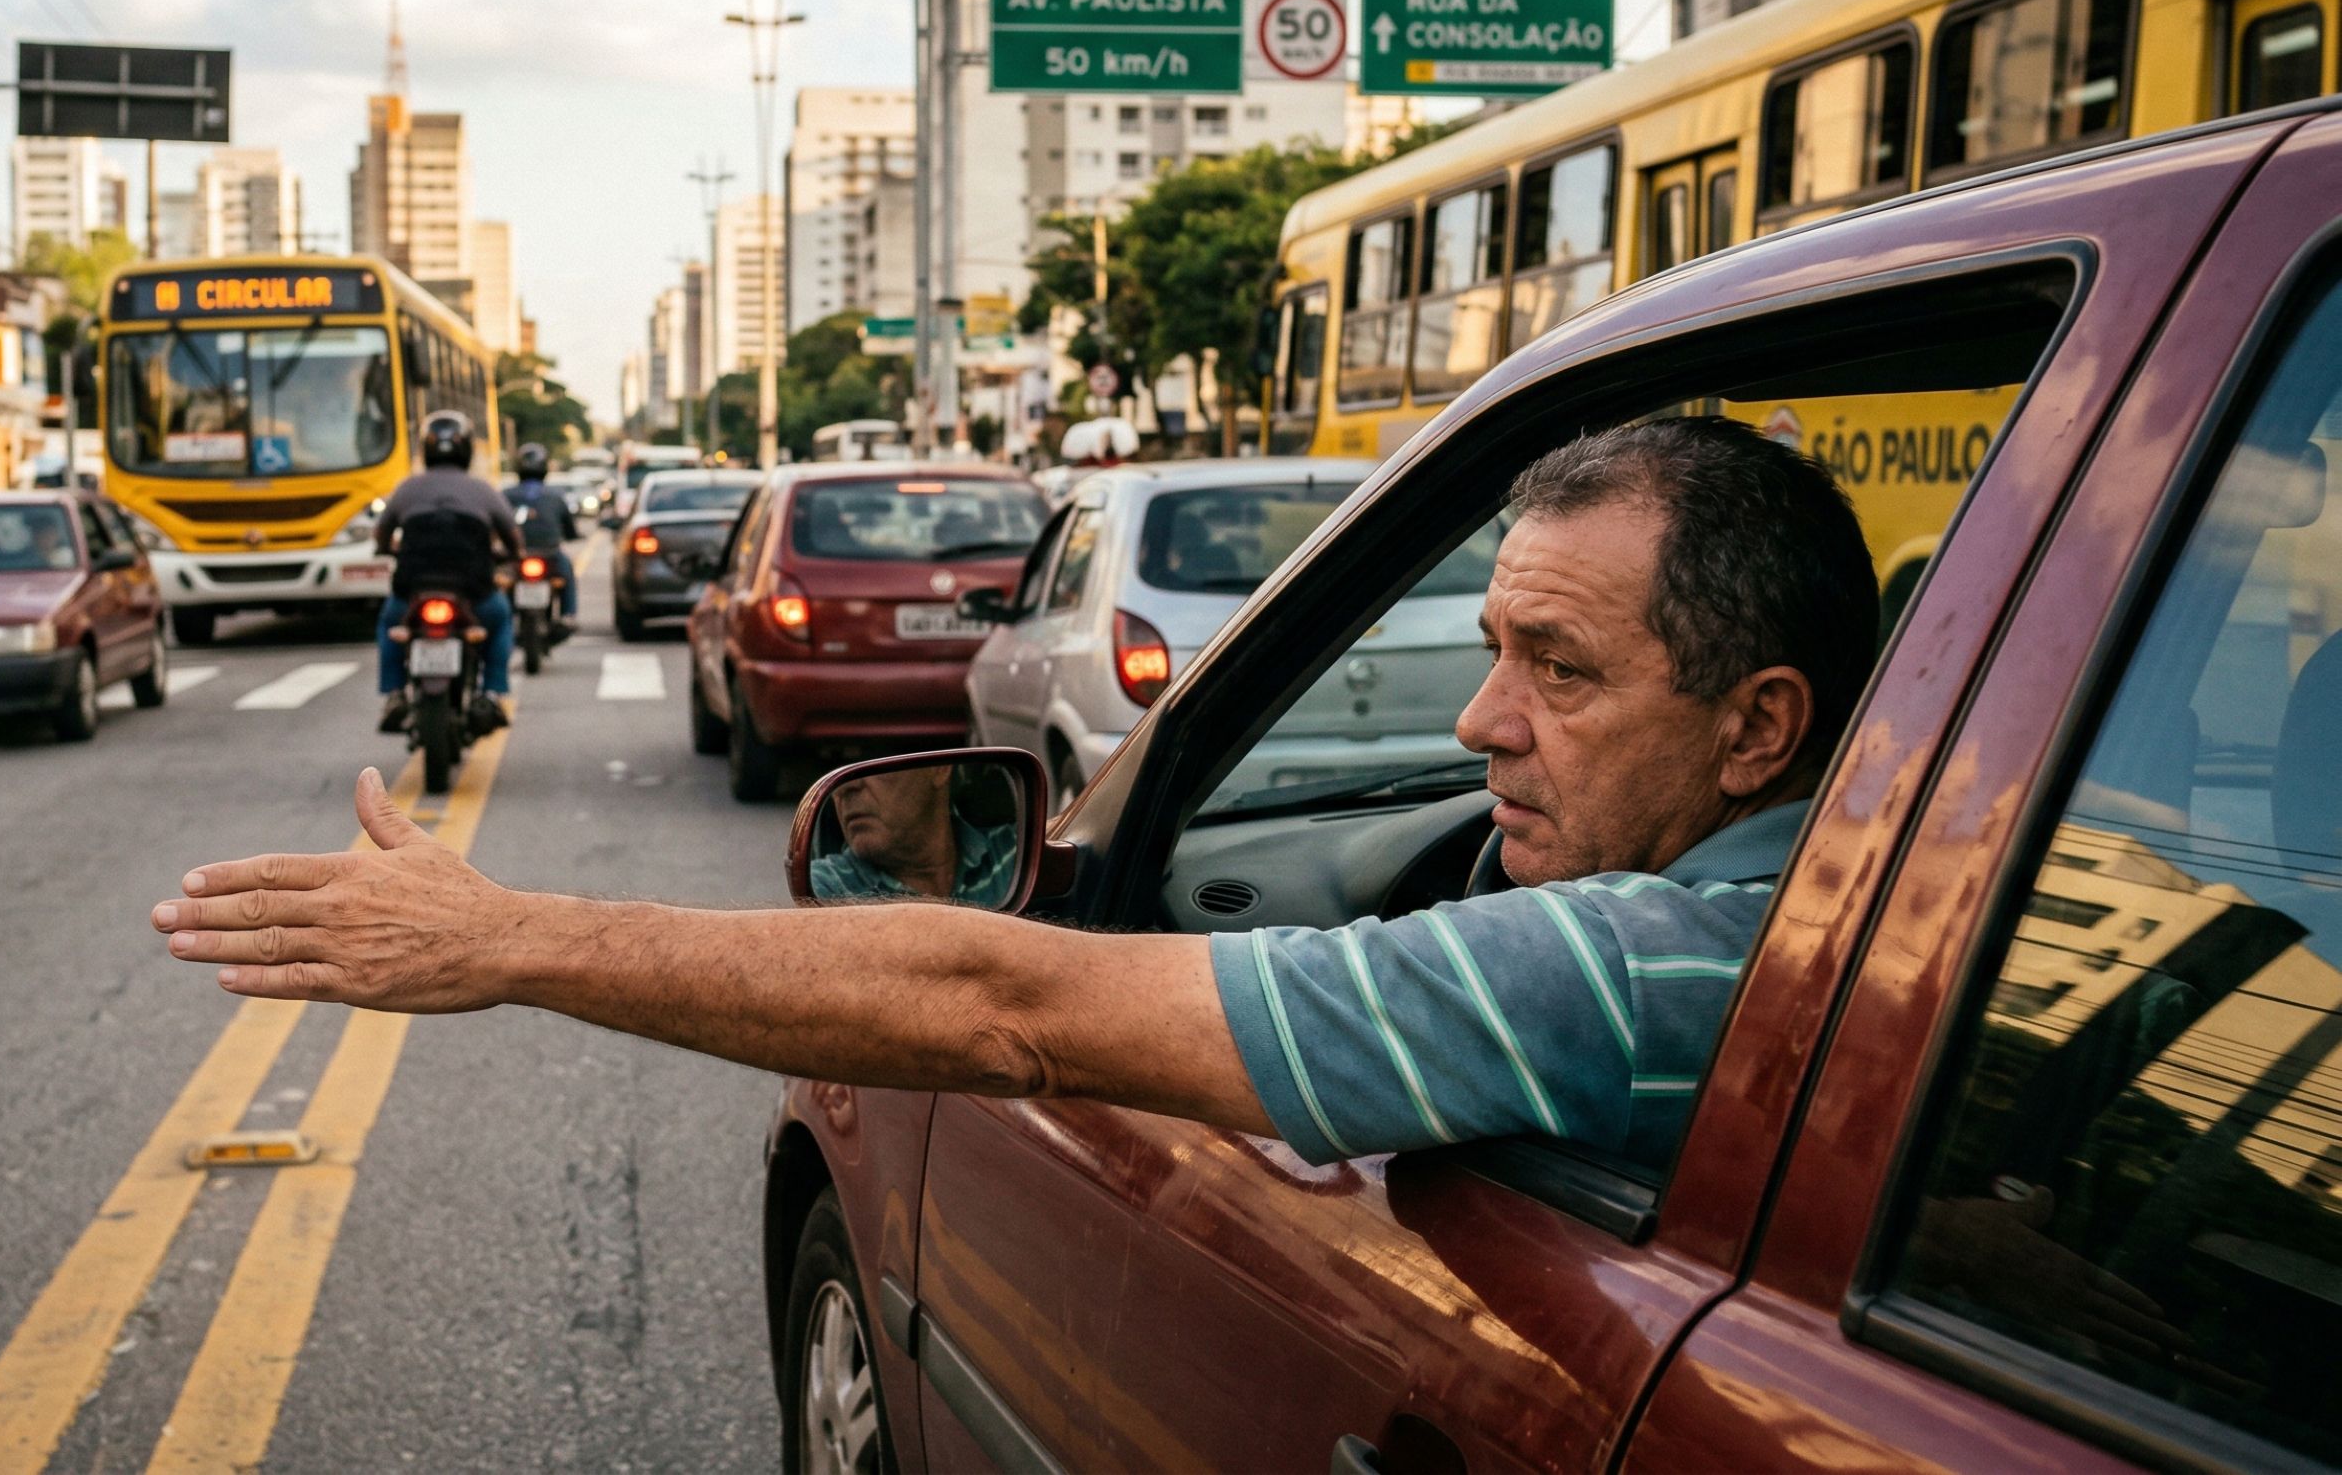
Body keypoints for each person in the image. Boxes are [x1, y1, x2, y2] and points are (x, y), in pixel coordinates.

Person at [157, 418, 1878, 1170]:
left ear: (1758, 729)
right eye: (1493, 649)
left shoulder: (1638, 968)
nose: (1485, 721)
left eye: (1561, 671)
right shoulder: (1840, 903)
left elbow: (1005, 1003)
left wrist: (507, 939)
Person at [372, 410, 520, 734]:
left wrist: (387, 549)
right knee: (500, 619)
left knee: (389, 624)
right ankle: (491, 693)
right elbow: (513, 536)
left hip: (412, 590)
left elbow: (381, 534)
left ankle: (394, 694)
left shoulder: (407, 489)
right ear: (467, 449)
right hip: (474, 592)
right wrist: (512, 555)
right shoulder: (483, 490)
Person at [807, 765, 1023, 906]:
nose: (844, 785)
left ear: (939, 768)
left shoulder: (1016, 852)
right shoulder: (823, 889)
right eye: (834, 769)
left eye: (875, 760)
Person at [503, 442, 579, 637]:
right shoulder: (556, 495)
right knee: (567, 573)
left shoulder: (506, 495)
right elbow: (569, 528)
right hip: (549, 554)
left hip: (516, 555)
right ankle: (568, 614)